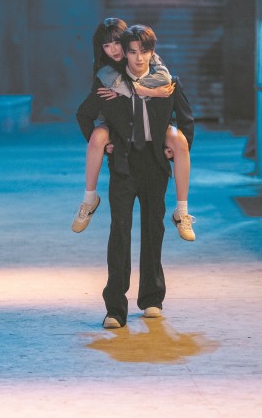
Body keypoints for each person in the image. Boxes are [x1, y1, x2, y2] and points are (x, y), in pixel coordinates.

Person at [76, 24, 195, 328]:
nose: (137, 57)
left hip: (155, 165)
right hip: (123, 165)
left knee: (154, 229)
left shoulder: (167, 82)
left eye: (144, 51)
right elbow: (83, 114)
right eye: (131, 51)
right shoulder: (110, 84)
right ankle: (115, 308)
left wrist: (173, 152)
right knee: (120, 232)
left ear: (152, 53)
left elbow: (186, 120)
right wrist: (105, 147)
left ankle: (152, 298)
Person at [71, 17, 195, 240]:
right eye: (106, 45)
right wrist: (146, 92)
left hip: (152, 134)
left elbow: (164, 78)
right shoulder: (105, 74)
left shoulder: (147, 57)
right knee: (98, 137)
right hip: (118, 128)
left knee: (179, 140)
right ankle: (89, 199)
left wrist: (150, 91)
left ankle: (183, 212)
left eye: (117, 43)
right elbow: (86, 112)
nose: (114, 50)